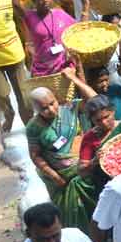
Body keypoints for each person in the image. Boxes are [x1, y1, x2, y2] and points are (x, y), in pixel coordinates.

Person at [25, 83, 98, 232]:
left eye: (52, 103)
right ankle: (76, 234)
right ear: (36, 110)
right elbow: (35, 155)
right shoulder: (33, 127)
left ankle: (98, 233)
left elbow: (95, 100)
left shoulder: (70, 110)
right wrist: (54, 176)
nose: (51, 110)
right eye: (44, 108)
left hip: (83, 168)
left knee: (92, 202)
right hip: (59, 178)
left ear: (56, 98)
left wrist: (73, 78)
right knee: (69, 210)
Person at [10, 0, 76, 76]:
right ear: (34, 1)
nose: (45, 1)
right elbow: (16, 4)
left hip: (64, 67)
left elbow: (76, 29)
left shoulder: (59, 13)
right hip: (43, 70)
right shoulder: (31, 16)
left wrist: (85, 9)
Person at [0, 0, 29, 131]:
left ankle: (30, 127)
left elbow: (21, 23)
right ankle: (9, 113)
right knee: (1, 94)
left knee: (25, 99)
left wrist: (28, 44)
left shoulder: (7, 3)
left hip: (15, 56)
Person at [77, 95, 121, 192]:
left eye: (106, 117)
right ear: (91, 120)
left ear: (113, 111)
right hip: (108, 186)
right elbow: (81, 171)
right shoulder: (89, 138)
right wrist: (94, 161)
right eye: (98, 120)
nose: (104, 122)